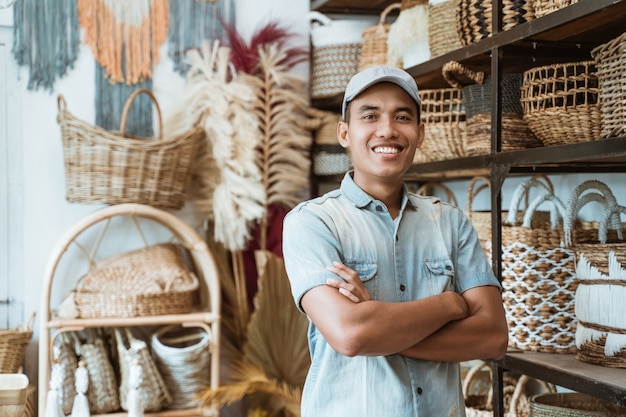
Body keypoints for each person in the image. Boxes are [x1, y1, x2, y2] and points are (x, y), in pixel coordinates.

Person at [282, 65, 508, 417]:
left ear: (419, 133)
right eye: (370, 116)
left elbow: (492, 337)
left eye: (402, 117)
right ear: (344, 132)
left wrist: (380, 324)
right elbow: (351, 335)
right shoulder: (312, 222)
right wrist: (450, 305)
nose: (387, 130)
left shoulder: (450, 222)